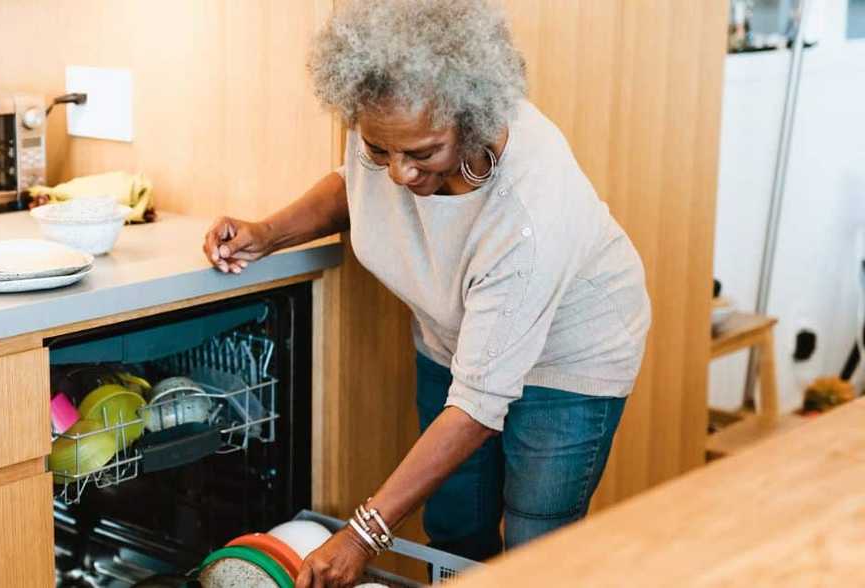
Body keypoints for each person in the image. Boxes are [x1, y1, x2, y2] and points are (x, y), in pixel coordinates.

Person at [201, 1, 651, 586]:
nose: (397, 175)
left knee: (535, 551)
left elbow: (477, 406)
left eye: (421, 155)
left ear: (475, 121)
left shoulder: (528, 213)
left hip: (568, 360)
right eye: (379, 151)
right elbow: (355, 190)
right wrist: (268, 233)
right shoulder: (393, 125)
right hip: (455, 340)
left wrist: (364, 532)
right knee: (457, 526)